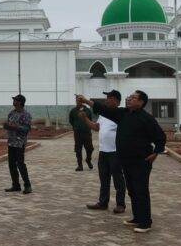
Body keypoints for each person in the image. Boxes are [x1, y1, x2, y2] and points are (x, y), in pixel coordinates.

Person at [77, 90, 166, 233]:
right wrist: (86, 101)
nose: (129, 99)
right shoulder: (123, 114)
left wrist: (156, 152)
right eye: (129, 97)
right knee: (132, 190)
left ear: (141, 102)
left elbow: (160, 136)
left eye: (133, 98)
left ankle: (145, 222)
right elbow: (104, 110)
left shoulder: (146, 118)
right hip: (126, 160)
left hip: (141, 161)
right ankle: (137, 217)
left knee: (141, 190)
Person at [78, 90, 126, 214]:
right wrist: (85, 119)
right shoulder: (103, 115)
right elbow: (96, 127)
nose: (106, 100)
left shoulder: (121, 114)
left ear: (116, 101)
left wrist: (86, 100)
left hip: (115, 152)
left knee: (118, 179)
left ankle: (120, 204)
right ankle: (103, 202)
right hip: (103, 152)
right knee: (104, 179)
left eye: (109, 98)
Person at [3, 94, 32, 194]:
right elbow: (9, 124)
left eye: (15, 100)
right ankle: (16, 185)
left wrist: (15, 127)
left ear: (20, 102)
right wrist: (7, 126)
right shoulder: (11, 113)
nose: (14, 101)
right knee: (11, 164)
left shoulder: (26, 115)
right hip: (11, 142)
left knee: (20, 164)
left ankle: (27, 185)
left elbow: (27, 129)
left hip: (20, 143)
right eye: (14, 100)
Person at [68, 97, 94, 171]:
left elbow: (90, 120)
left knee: (90, 148)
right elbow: (71, 120)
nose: (78, 102)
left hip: (87, 133)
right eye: (77, 101)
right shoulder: (73, 111)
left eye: (79, 101)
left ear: (82, 101)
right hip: (78, 133)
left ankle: (88, 159)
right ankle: (80, 165)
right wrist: (76, 127)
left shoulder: (87, 110)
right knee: (78, 150)